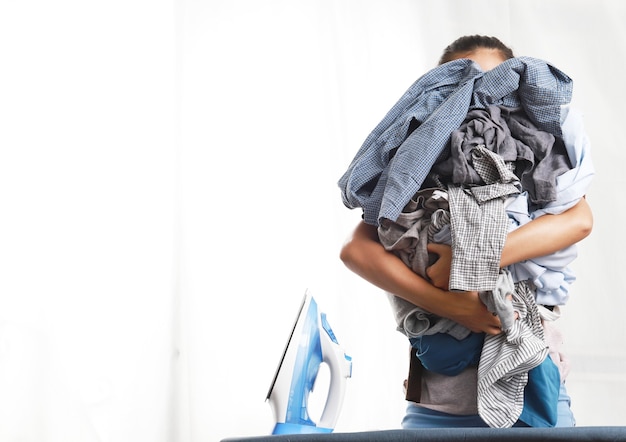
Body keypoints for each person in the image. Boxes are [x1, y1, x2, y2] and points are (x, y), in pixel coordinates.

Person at [338, 35, 593, 428]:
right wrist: (455, 307)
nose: (482, 100)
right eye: (465, 85)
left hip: (536, 399)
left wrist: (470, 259)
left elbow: (579, 222)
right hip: (434, 410)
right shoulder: (416, 170)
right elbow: (355, 251)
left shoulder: (536, 156)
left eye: (495, 82)